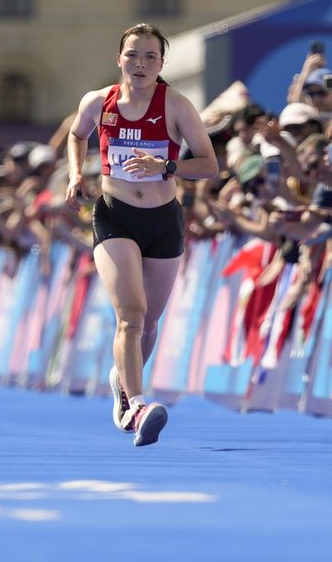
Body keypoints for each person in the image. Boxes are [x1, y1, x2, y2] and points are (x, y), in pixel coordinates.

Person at [64, 23, 218, 446]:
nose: (140, 64)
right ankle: (136, 407)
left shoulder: (177, 106)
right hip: (114, 216)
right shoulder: (99, 102)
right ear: (119, 59)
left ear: (161, 64)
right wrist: (77, 173)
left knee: (149, 323)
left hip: (163, 219)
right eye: (133, 55)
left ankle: (121, 381)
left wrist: (165, 167)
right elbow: (77, 135)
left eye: (150, 57)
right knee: (130, 315)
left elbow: (209, 165)